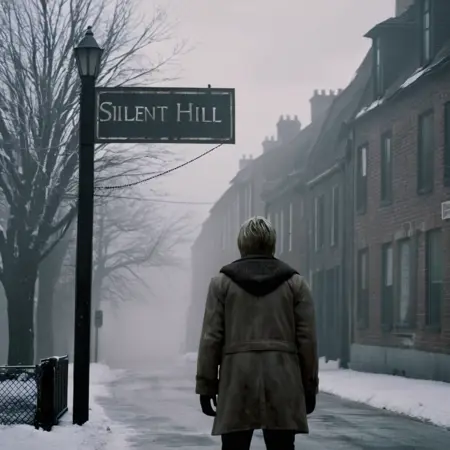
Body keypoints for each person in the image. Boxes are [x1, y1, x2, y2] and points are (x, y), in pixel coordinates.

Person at [195, 216, 319, 450]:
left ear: (241, 244)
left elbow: (211, 338)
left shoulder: (221, 284)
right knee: (282, 447)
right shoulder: (295, 284)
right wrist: (309, 386)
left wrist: (206, 385)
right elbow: (307, 340)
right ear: (272, 243)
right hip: (282, 380)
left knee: (234, 446)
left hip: (237, 381)